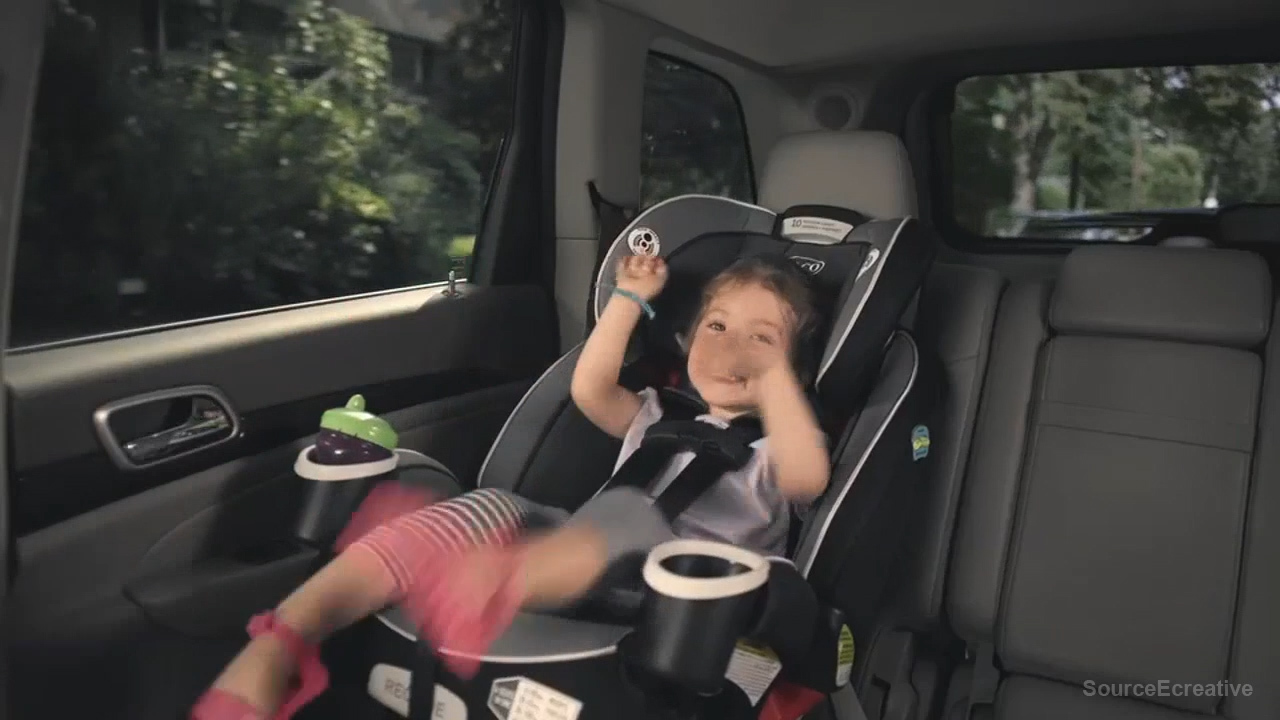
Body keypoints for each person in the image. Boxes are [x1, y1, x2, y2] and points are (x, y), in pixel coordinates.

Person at [191, 253, 832, 720]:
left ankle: (489, 582)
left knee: (630, 518)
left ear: (796, 374)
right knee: (494, 504)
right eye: (717, 328)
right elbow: (588, 388)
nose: (734, 350)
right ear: (687, 340)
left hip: (687, 603)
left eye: (762, 339)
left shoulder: (779, 449)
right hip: (580, 552)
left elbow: (809, 477)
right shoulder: (655, 415)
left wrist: (776, 384)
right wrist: (629, 300)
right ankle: (284, 641)